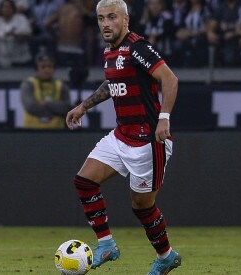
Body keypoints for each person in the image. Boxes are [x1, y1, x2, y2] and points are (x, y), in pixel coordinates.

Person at [65, 0, 182, 274]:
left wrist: (164, 117)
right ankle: (106, 244)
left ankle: (166, 256)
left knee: (142, 207)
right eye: (101, 18)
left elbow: (170, 79)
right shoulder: (111, 51)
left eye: (112, 17)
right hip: (121, 136)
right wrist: (84, 106)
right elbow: (114, 82)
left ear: (125, 20)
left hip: (148, 141)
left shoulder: (138, 47)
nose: (106, 23)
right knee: (84, 181)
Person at [20, 51, 71, 129]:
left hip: (57, 132)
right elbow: (30, 107)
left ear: (54, 68)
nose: (46, 70)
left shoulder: (61, 85)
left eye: (50, 66)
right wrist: (56, 111)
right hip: (31, 131)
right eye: (43, 67)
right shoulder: (28, 84)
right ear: (37, 68)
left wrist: (47, 104)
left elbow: (66, 108)